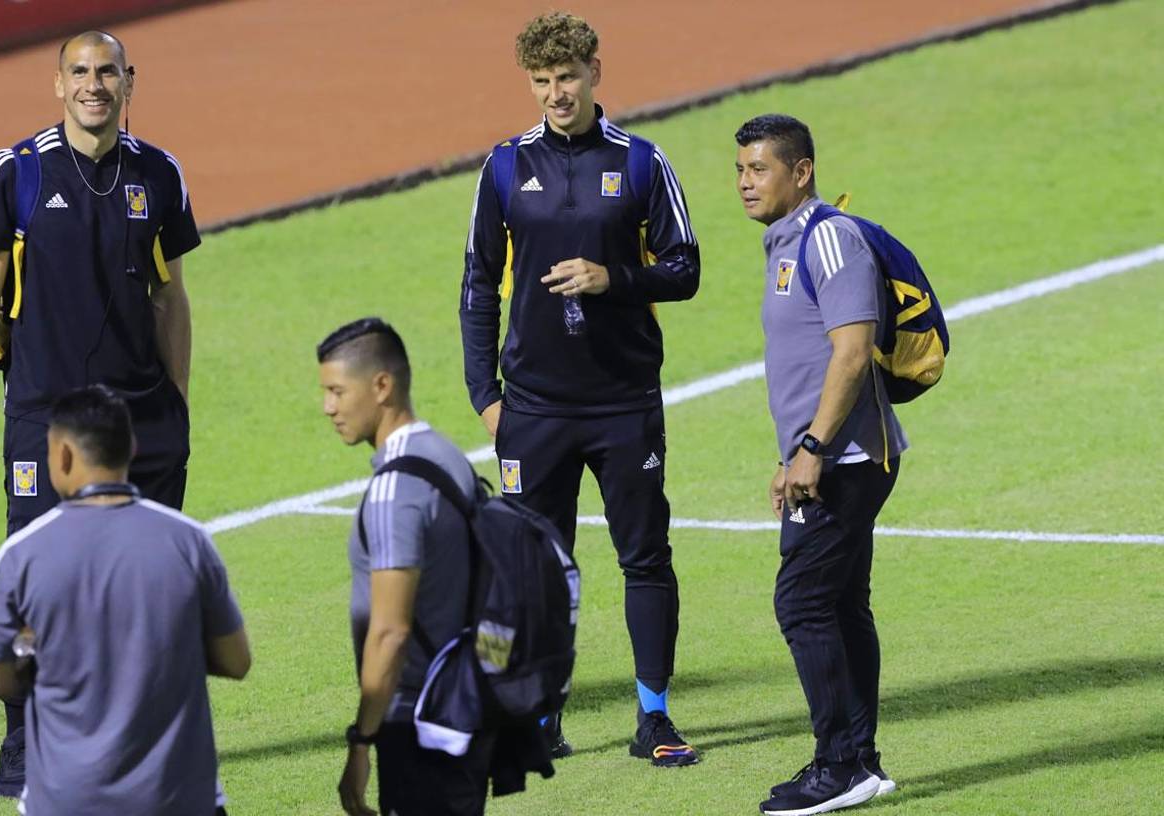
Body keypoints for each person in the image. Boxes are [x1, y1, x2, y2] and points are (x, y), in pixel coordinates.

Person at [0, 29, 199, 796]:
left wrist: (178, 408)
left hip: (141, 421)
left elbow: (170, 299)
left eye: (108, 72)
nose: (94, 84)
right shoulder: (13, 173)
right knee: (37, 588)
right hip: (42, 418)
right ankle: (24, 744)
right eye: (80, 73)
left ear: (130, 81)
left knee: (145, 593)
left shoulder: (158, 173)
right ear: (57, 86)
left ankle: (134, 741)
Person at [459, 11, 701, 767]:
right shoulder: (503, 167)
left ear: (595, 70)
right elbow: (476, 284)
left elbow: (685, 268)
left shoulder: (640, 162)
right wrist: (485, 398)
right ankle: (539, 718)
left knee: (645, 558)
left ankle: (654, 717)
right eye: (541, 82)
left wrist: (612, 279)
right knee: (535, 566)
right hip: (531, 409)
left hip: (624, 402)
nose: (555, 94)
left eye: (566, 78)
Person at [734, 113, 908, 815]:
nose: (746, 183)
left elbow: (852, 350)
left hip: (848, 457)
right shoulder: (786, 244)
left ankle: (839, 765)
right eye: (741, 170)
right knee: (838, 602)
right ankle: (860, 760)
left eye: (760, 169)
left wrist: (811, 449)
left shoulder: (828, 238)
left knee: (801, 601)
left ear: (801, 172)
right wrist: (793, 456)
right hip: (829, 456)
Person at [0, 385, 249, 816]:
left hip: (66, 801)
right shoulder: (188, 542)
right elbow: (235, 661)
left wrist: (42, 661)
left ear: (61, 456)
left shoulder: (24, 554)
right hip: (180, 798)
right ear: (131, 449)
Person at [320, 318, 496, 816]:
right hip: (466, 703)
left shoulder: (395, 492)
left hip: (420, 721)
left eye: (337, 391)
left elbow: (390, 632)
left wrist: (361, 742)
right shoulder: (446, 454)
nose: (328, 408)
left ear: (381, 386)